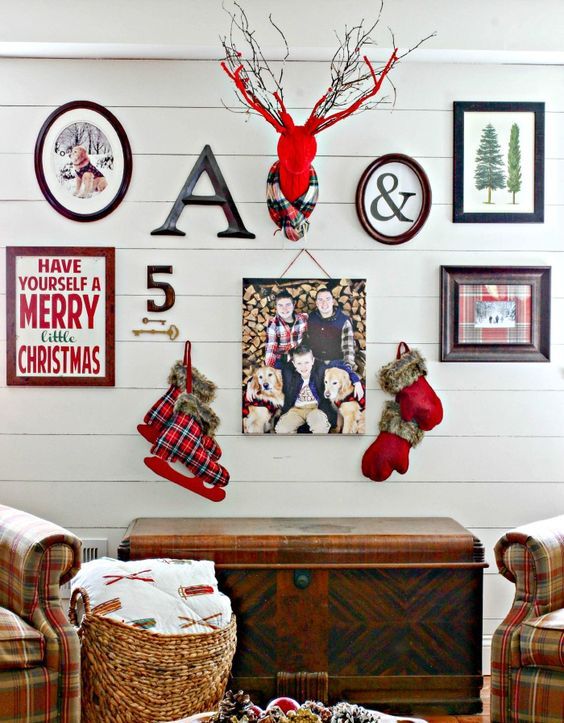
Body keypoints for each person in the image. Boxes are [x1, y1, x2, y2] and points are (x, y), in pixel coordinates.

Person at [275, 344, 334, 434]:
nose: (303, 367)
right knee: (282, 430)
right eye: (299, 363)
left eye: (307, 362)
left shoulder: (321, 369)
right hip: (296, 409)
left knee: (320, 428)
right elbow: (269, 372)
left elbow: (339, 365)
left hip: (316, 408)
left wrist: (356, 381)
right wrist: (250, 382)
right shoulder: (287, 371)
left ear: (313, 361)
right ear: (294, 364)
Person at [307, 287, 356, 370]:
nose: (324, 303)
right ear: (316, 303)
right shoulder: (311, 318)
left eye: (328, 299)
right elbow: (305, 341)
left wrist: (347, 367)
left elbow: (348, 348)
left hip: (336, 363)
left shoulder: (343, 321)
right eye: (320, 300)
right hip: (315, 363)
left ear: (333, 301)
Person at [263, 290, 308, 368]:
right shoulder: (273, 324)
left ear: (294, 305)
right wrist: (269, 367)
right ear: (276, 307)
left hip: (298, 356)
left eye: (288, 305)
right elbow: (271, 348)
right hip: (281, 358)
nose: (284, 309)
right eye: (280, 305)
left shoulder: (303, 319)